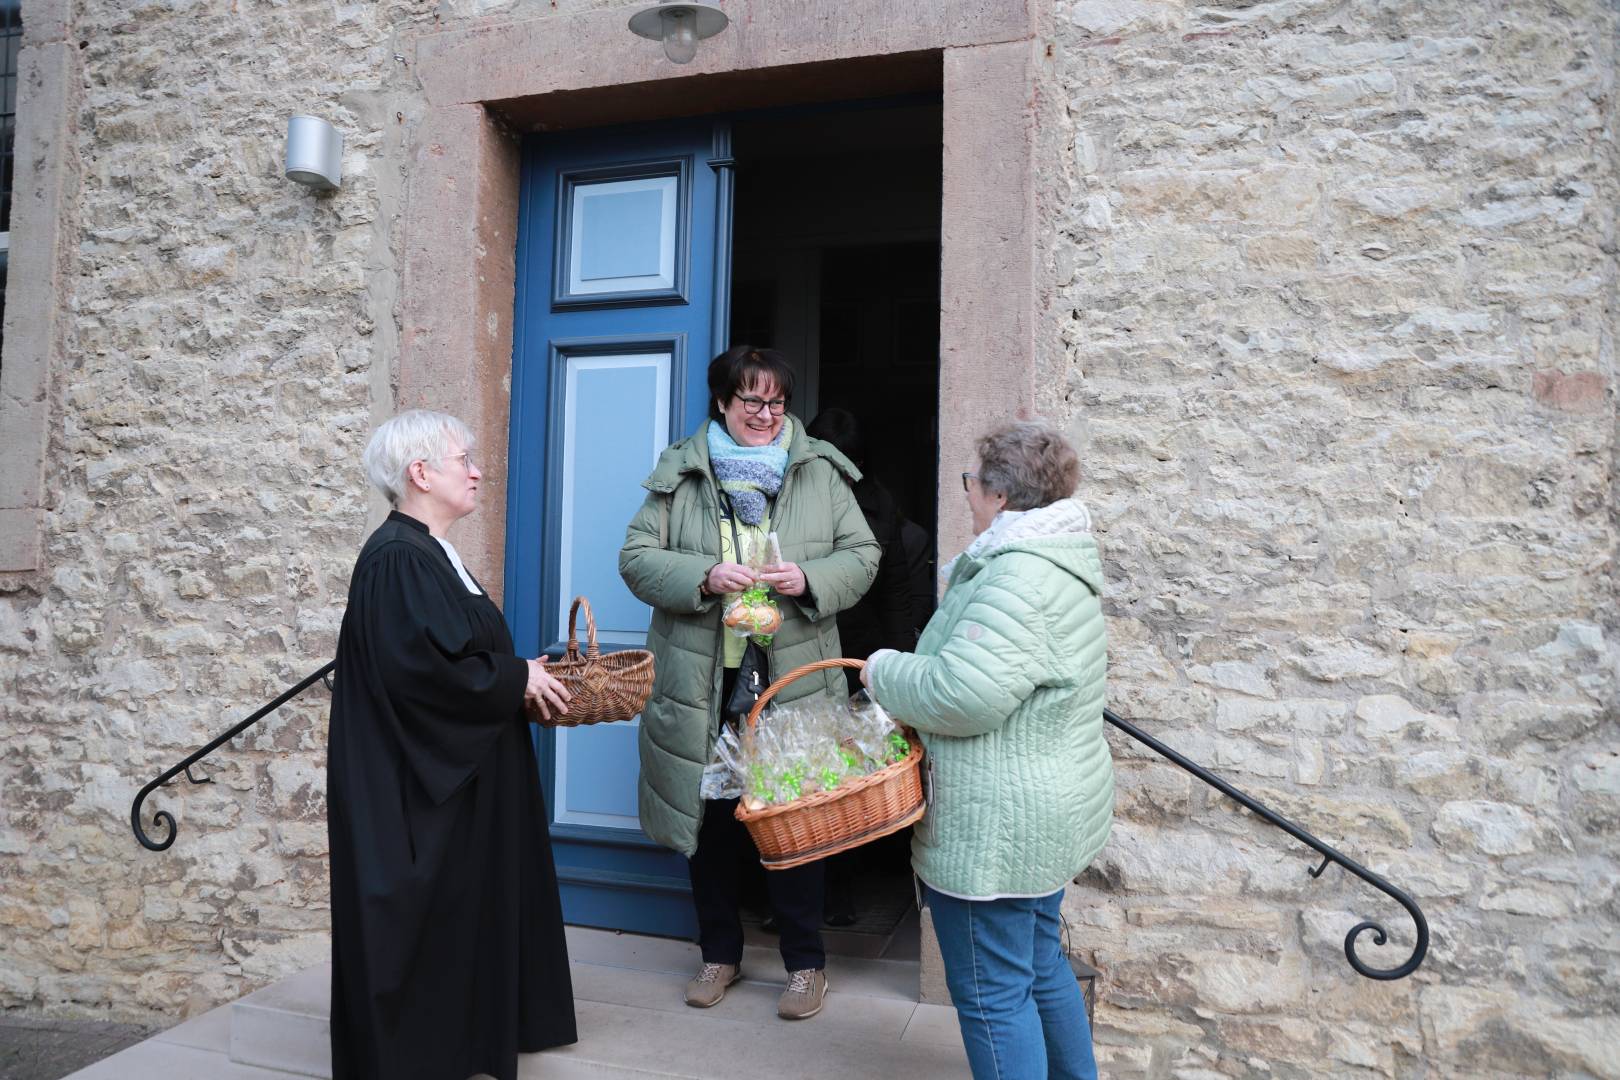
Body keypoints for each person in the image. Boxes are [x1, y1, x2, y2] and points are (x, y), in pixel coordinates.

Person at [619, 346, 880, 1020]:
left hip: (791, 675)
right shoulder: (681, 473)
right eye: (751, 402)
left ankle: (805, 966)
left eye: (776, 403)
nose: (765, 415)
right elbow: (637, 559)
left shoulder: (819, 471)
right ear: (722, 403)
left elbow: (864, 554)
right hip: (703, 680)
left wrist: (811, 580)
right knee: (711, 823)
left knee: (793, 821)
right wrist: (704, 576)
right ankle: (719, 954)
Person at [326, 410, 577, 1080]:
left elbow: (453, 653)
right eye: (462, 458)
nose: (476, 469)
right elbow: (422, 671)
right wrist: (513, 675)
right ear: (419, 474)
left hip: (470, 772)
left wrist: (516, 673)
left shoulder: (432, 554)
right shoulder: (398, 559)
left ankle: (475, 1033)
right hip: (421, 782)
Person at [861, 419, 1112, 1080]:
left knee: (992, 996)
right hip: (1043, 810)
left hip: (997, 827)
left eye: (971, 483)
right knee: (1037, 965)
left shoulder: (1016, 577)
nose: (967, 494)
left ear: (999, 496)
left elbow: (962, 694)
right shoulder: (1050, 561)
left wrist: (881, 671)